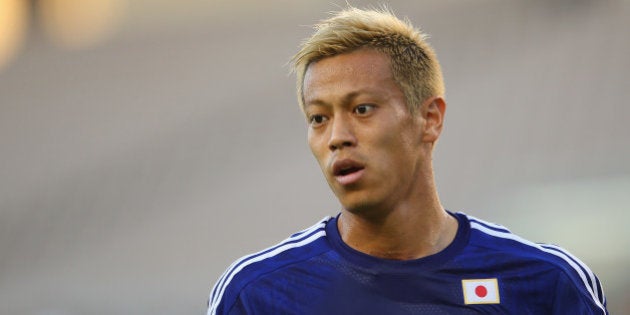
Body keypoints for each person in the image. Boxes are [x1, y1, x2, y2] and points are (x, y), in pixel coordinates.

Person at [207, 7, 608, 314]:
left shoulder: (545, 283)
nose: (337, 137)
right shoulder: (257, 294)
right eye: (319, 118)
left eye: (362, 109)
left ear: (429, 118)